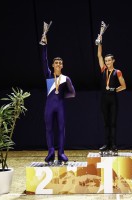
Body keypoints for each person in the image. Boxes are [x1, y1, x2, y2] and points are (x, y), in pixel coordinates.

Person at [40, 34, 75, 164]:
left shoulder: (66, 79)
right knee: (49, 129)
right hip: (49, 106)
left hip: (60, 106)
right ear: (53, 65)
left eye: (60, 63)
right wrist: (44, 46)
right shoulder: (48, 75)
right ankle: (50, 152)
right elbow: (44, 60)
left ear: (62, 65)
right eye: (56, 63)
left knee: (61, 129)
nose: (58, 64)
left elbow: (73, 93)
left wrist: (62, 96)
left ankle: (61, 152)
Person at [96, 34, 126, 155]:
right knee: (106, 123)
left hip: (113, 100)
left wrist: (114, 90)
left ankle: (113, 145)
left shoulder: (117, 72)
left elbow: (124, 86)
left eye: (109, 60)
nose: (107, 62)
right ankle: (106, 144)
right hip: (104, 100)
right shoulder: (103, 69)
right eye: (106, 60)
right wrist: (100, 42)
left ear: (113, 61)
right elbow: (99, 55)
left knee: (113, 123)